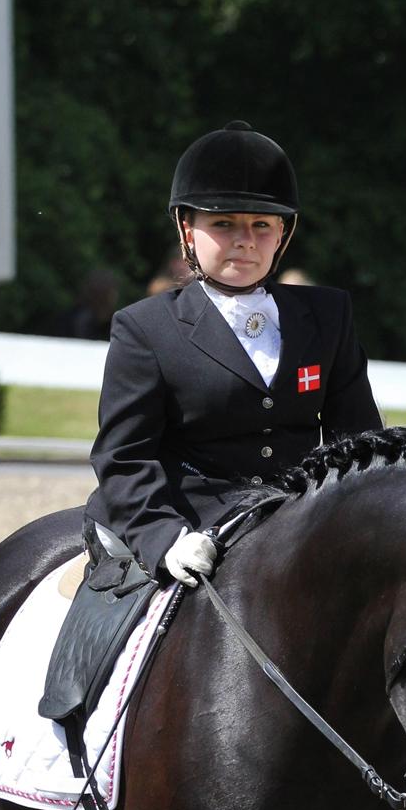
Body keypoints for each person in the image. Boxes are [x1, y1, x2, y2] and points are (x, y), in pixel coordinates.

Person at [84, 119, 381, 586]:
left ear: (283, 232)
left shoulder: (329, 315)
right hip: (187, 527)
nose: (245, 240)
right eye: (223, 224)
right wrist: (165, 538)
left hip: (294, 522)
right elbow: (123, 458)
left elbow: (359, 440)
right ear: (188, 228)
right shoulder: (145, 329)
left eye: (261, 225)